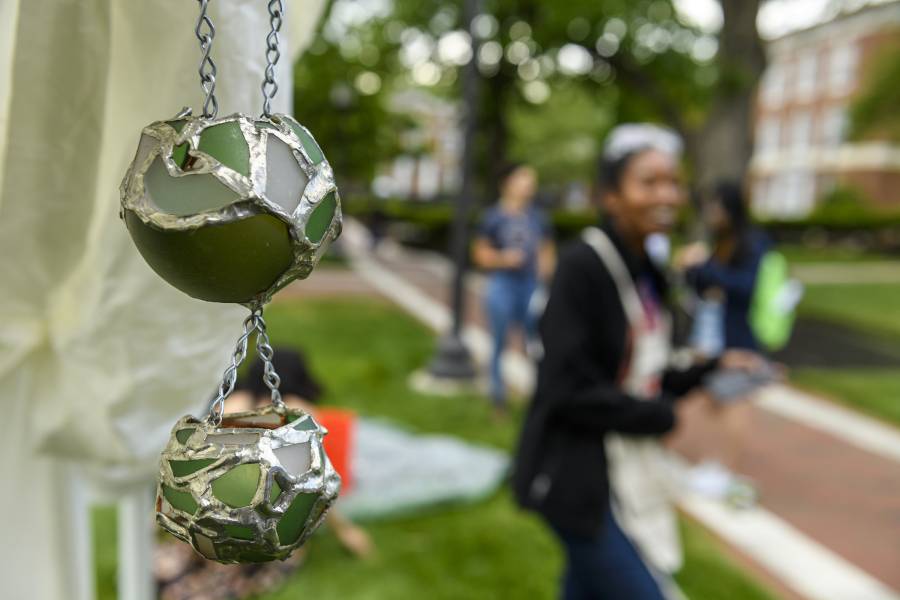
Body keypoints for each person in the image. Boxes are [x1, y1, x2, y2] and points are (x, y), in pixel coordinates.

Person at [512, 124, 763, 599]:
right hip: (576, 478)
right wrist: (657, 416)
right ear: (609, 195)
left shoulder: (646, 268)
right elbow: (565, 387)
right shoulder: (583, 266)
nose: (667, 194)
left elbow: (643, 372)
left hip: (626, 470)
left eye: (673, 181)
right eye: (648, 182)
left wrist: (711, 367)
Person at [676, 182, 779, 504]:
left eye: (717, 207)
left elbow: (744, 287)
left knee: (735, 402)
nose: (712, 214)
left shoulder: (753, 242)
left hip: (740, 337)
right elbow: (700, 286)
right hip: (712, 336)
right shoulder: (717, 242)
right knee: (714, 400)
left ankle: (728, 471)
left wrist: (705, 265)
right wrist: (689, 267)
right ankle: (718, 465)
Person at [473, 163, 555, 413]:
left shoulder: (538, 218)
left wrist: (545, 277)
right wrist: (503, 259)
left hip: (530, 285)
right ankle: (498, 398)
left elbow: (547, 252)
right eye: (524, 178)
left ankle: (540, 395)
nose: (529, 184)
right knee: (499, 342)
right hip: (503, 283)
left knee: (538, 343)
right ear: (508, 182)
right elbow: (480, 254)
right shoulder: (493, 217)